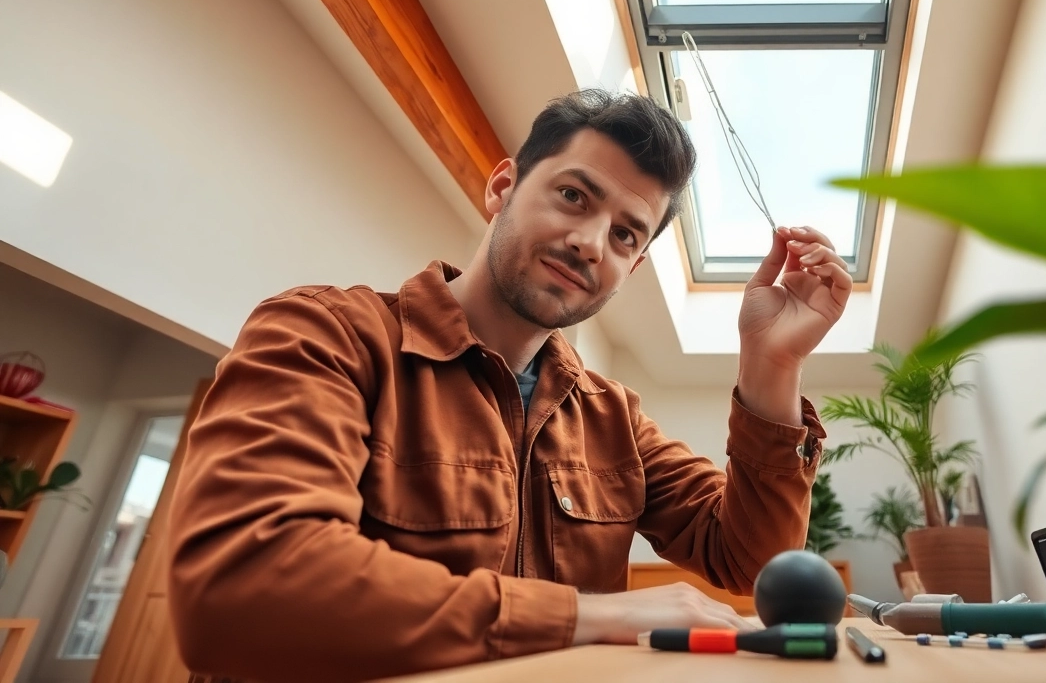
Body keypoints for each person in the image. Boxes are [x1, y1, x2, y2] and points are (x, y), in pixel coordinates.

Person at [168, 89, 853, 682]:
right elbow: (240, 589)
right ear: (502, 188)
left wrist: (771, 365)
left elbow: (754, 561)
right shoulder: (324, 333)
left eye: (624, 235)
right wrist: (591, 614)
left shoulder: (615, 417)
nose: (590, 241)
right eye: (573, 195)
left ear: (634, 267)